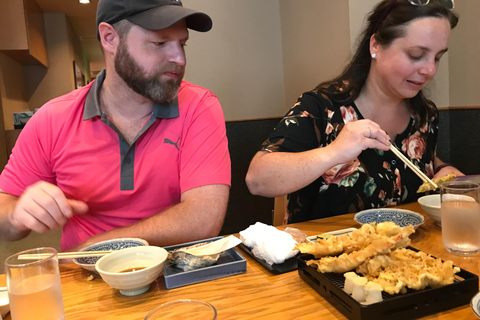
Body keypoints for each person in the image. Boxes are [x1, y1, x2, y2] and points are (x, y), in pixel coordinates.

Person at [0, 0, 231, 251]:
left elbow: (203, 218)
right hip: (83, 278)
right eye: (160, 43)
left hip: (172, 270)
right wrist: (16, 214)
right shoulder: (51, 119)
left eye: (182, 44)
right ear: (109, 38)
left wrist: (99, 246)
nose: (179, 58)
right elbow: (4, 215)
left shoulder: (199, 106)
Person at [246, 0, 463, 223]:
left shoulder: (425, 116)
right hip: (326, 254)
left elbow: (412, 161)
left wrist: (443, 169)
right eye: (416, 55)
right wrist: (335, 152)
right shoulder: (322, 107)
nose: (429, 70)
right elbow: (258, 179)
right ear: (376, 45)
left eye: (437, 57)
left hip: (408, 253)